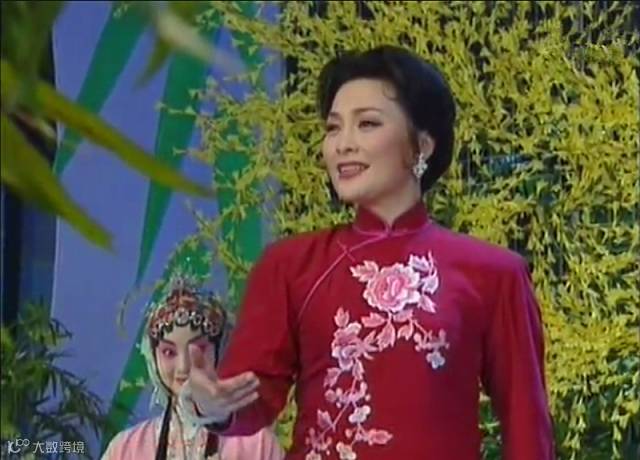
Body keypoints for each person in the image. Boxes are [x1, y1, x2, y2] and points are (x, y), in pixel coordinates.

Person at [181, 45, 556, 459]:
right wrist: (211, 405)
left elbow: (527, 429)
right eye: (333, 128)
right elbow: (249, 395)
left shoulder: (494, 273)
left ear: (422, 146)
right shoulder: (290, 266)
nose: (343, 144)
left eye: (367, 124)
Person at [101, 277, 285, 460]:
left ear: (220, 349)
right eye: (169, 352)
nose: (184, 367)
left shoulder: (257, 444)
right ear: (153, 357)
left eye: (198, 349)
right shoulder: (126, 449)